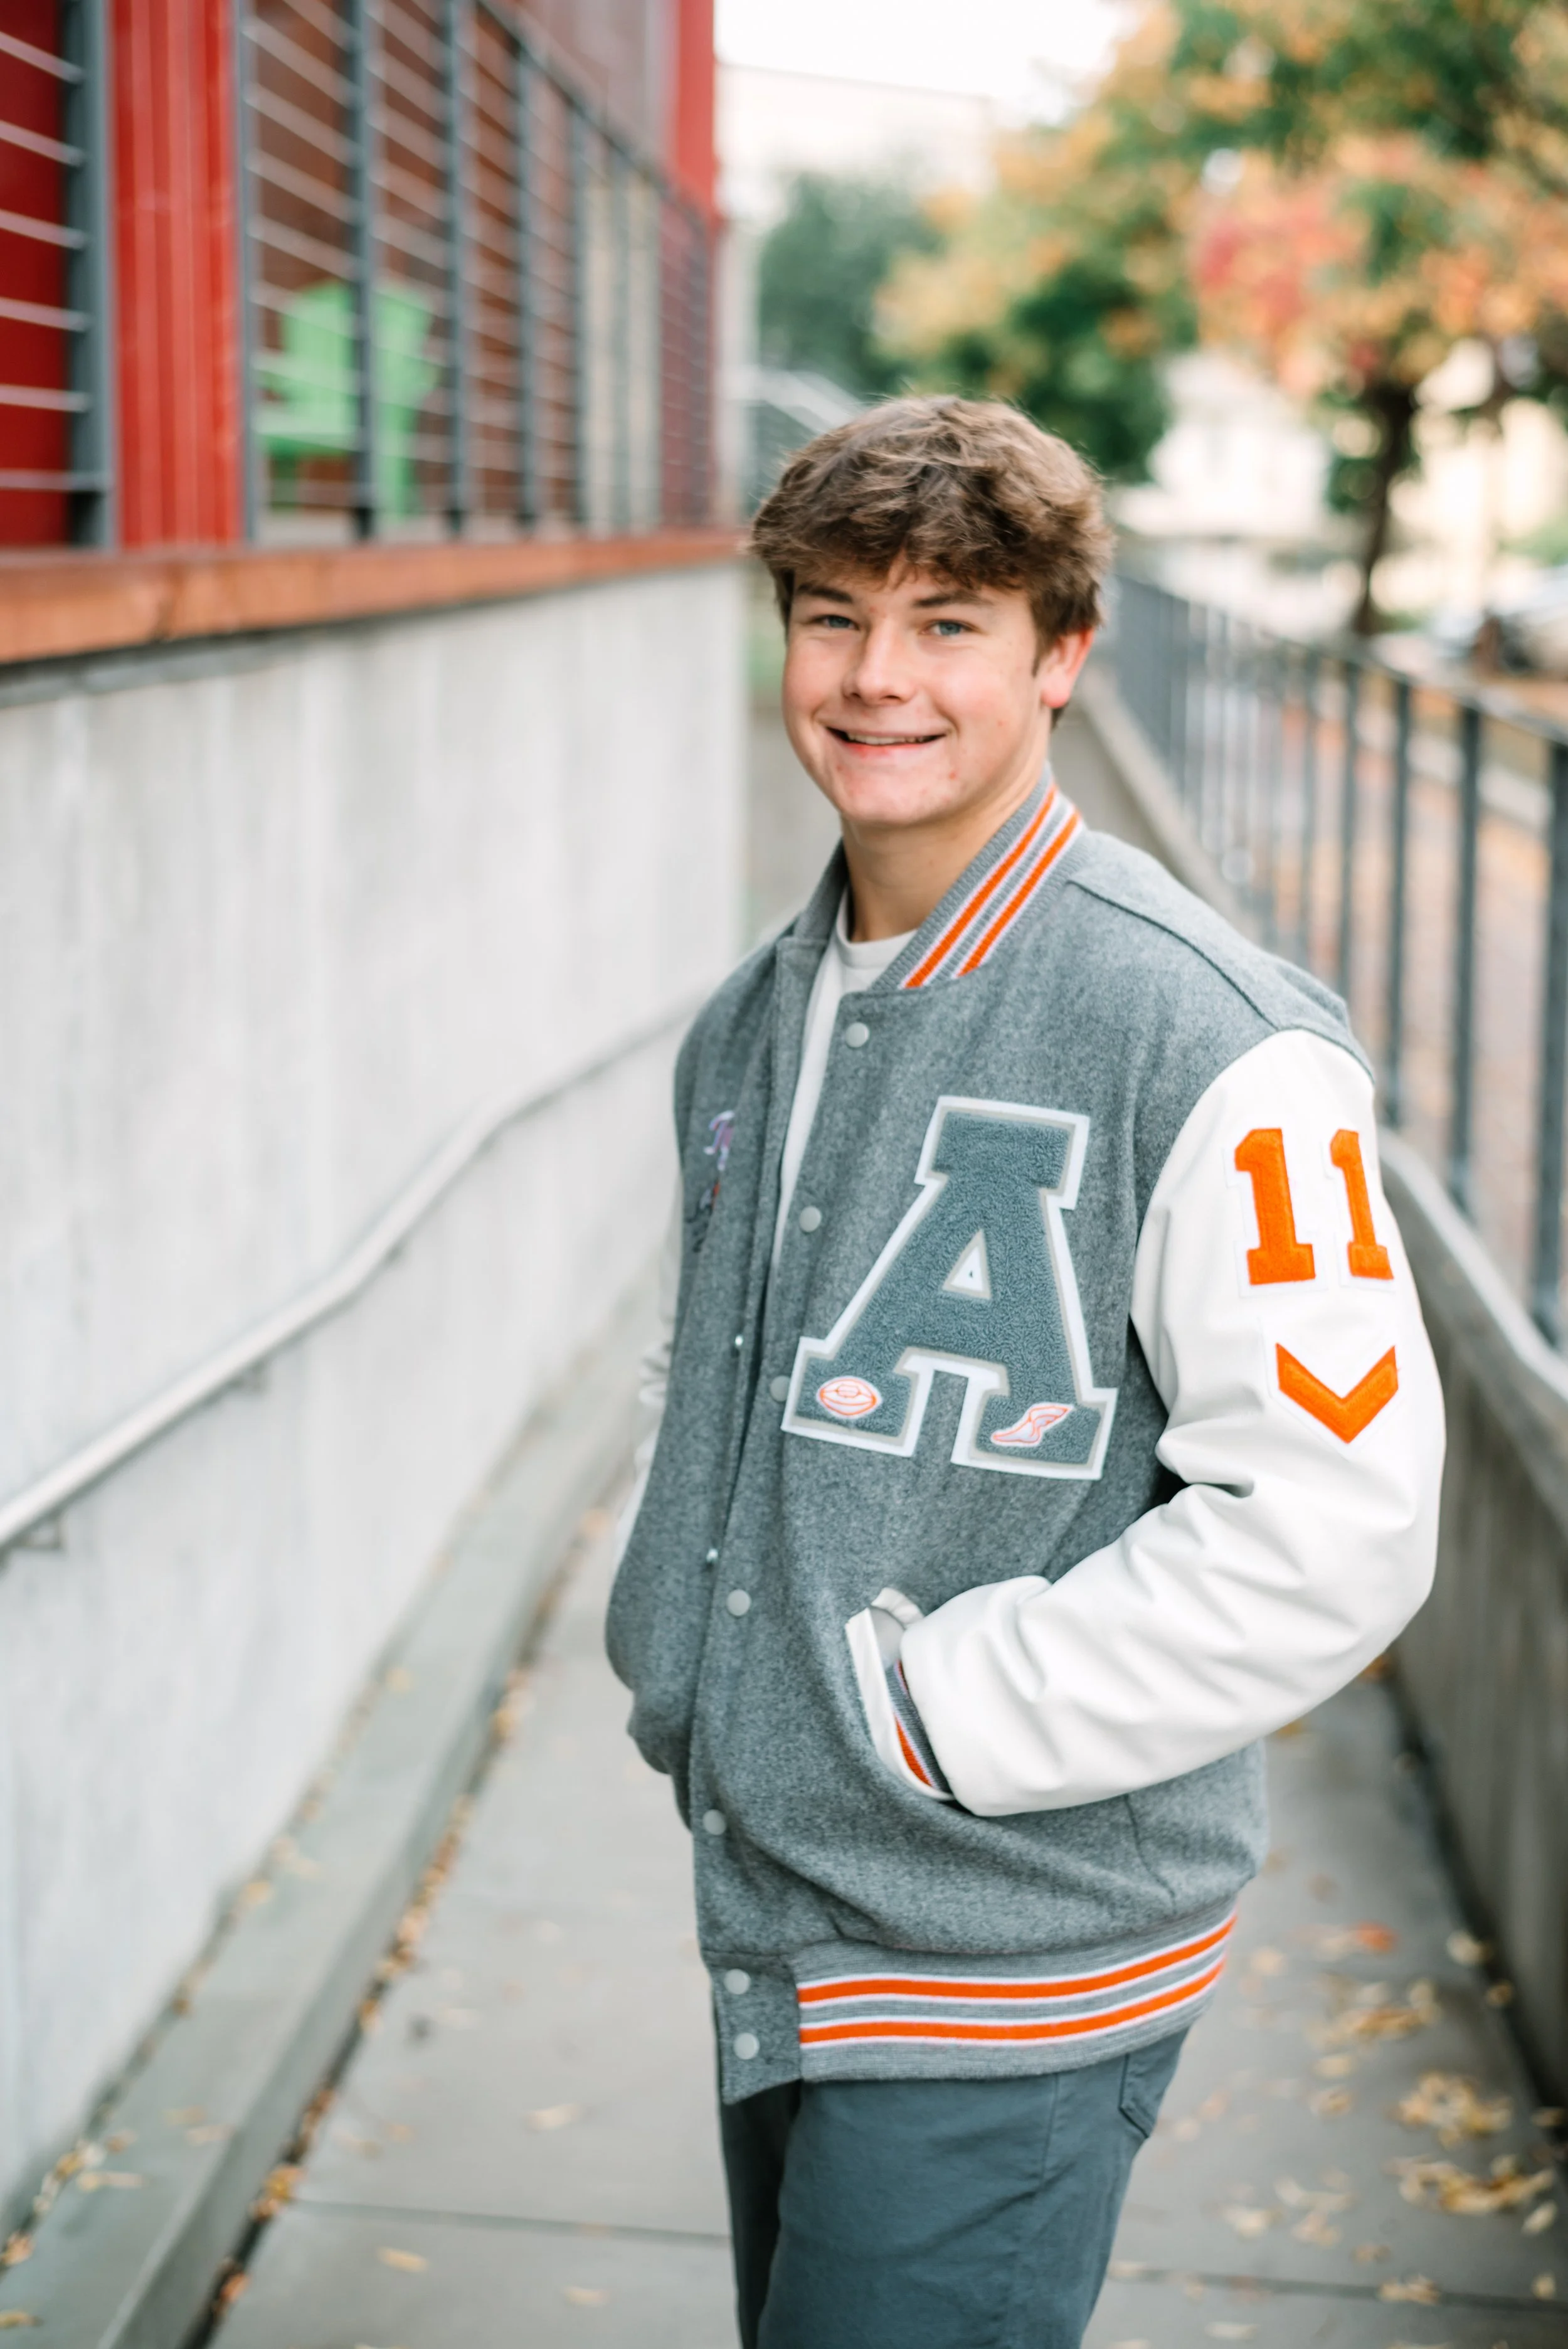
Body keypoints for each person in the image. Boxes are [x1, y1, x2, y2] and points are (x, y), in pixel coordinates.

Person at [606, 396, 1444, 2349]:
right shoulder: (753, 1019)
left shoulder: (1202, 1035)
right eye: (828, 618)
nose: (874, 676)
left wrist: (939, 1718)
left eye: (946, 622)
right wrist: (689, 1661)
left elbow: (1337, 1524)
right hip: (784, 1911)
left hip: (1005, 1951)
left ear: (1062, 654)